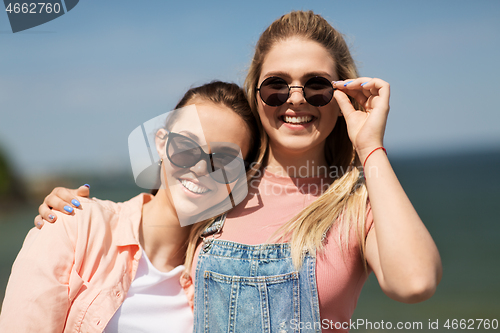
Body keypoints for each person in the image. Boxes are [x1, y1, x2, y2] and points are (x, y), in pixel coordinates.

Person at [32, 10, 442, 333]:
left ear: (341, 97)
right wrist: (74, 217)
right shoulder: (221, 186)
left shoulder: (356, 207)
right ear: (257, 93)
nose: (295, 100)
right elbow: (144, 237)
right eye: (277, 86)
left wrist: (370, 146)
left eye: (317, 86)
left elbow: (415, 282)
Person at [0, 81, 261, 332]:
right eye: (187, 146)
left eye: (224, 160)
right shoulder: (73, 225)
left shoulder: (221, 279)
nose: (201, 168)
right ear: (162, 143)